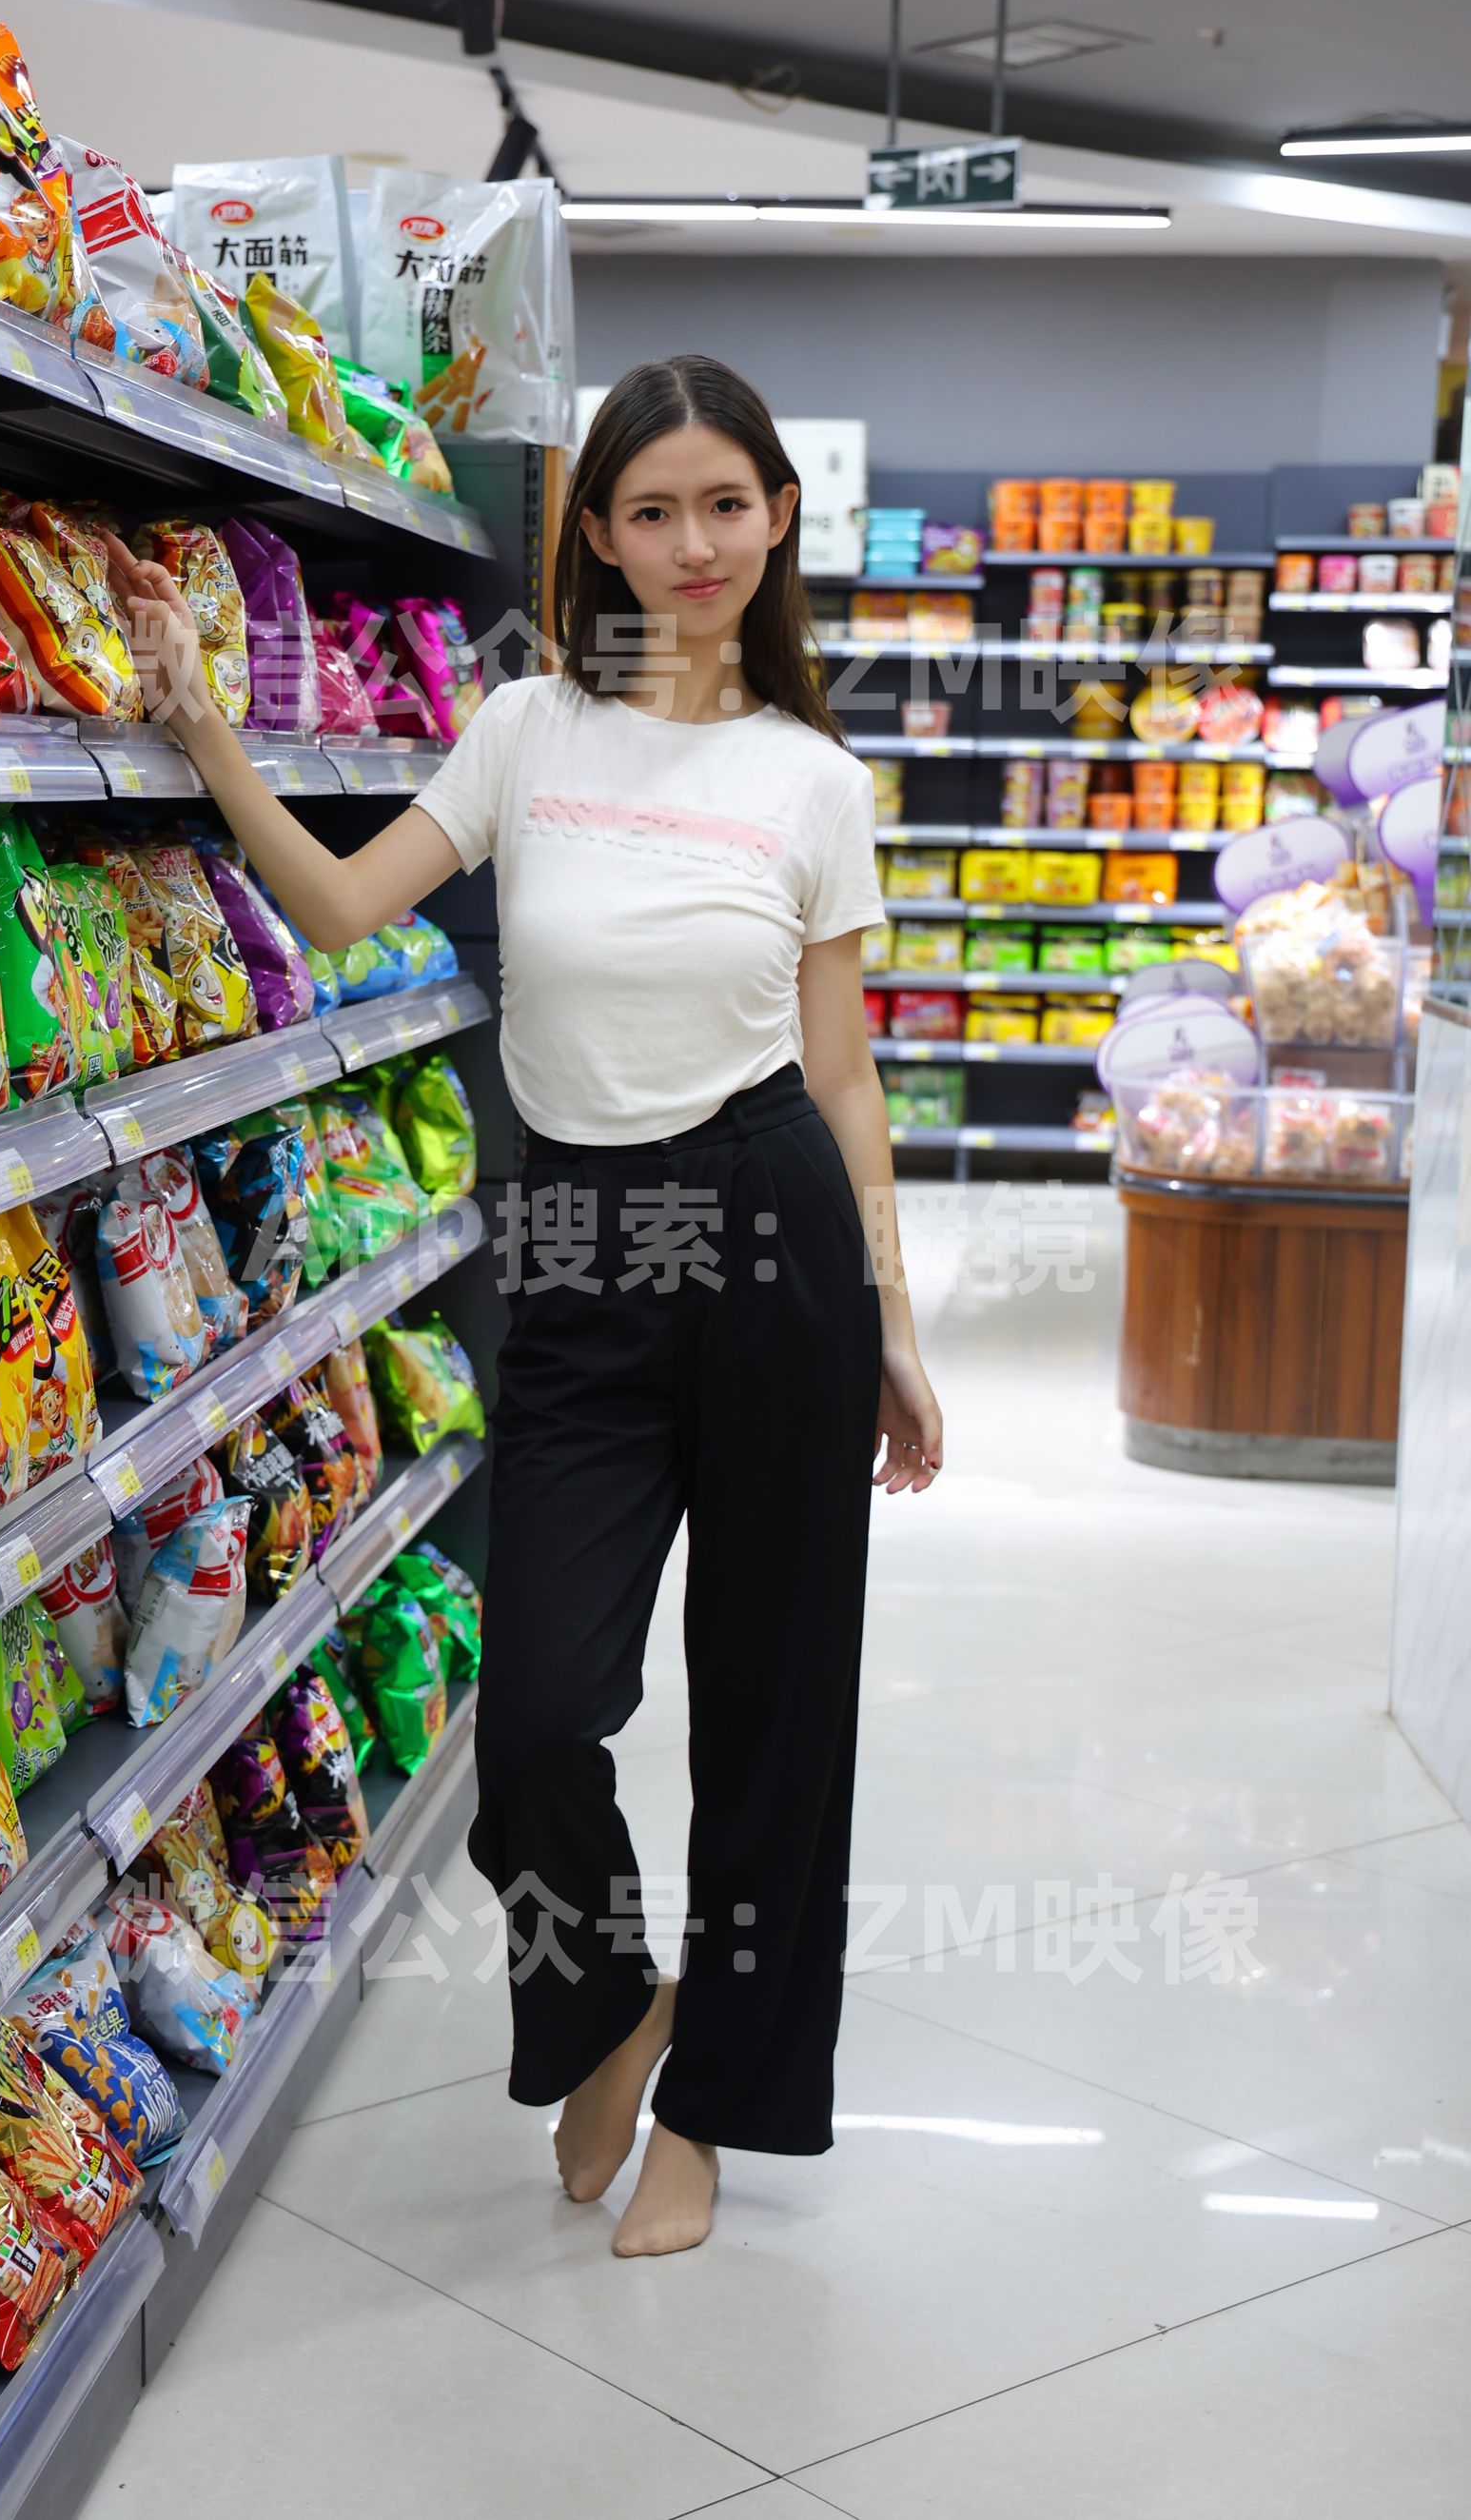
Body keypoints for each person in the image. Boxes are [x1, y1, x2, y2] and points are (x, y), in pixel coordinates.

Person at [101, 352, 943, 2260]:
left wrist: (893, 1320)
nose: (694, 542)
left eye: (725, 503)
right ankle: (615, 2003)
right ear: (597, 537)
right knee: (543, 1709)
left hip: (774, 1230)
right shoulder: (525, 731)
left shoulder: (815, 780)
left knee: (776, 1707)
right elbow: (339, 909)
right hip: (578, 1239)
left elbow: (841, 1076)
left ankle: (716, 2111)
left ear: (778, 518)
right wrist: (203, 720)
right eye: (652, 510)